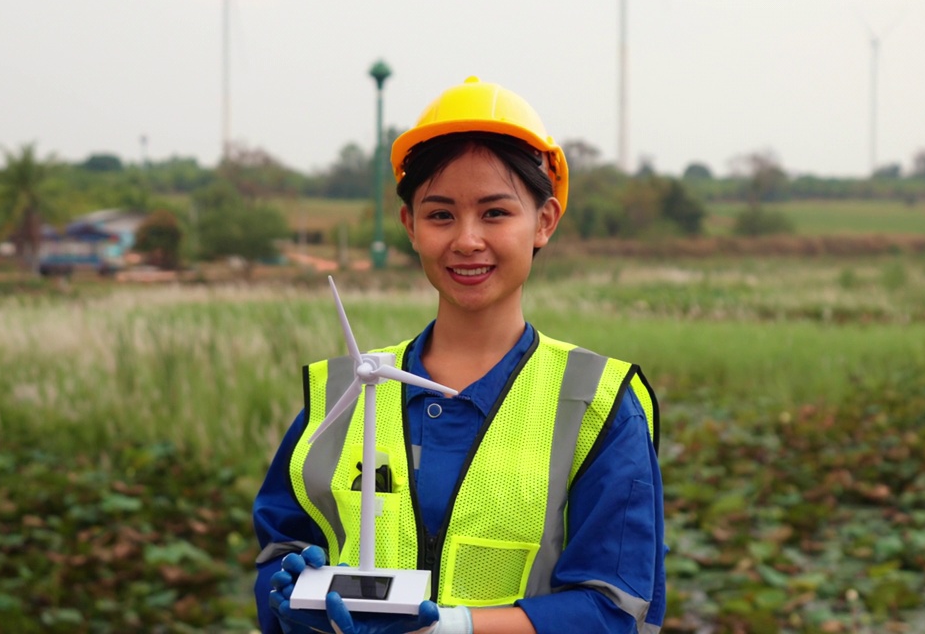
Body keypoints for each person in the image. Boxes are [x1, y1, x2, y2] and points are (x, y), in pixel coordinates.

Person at [253, 76, 666, 634]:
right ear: (411, 226)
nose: (467, 240)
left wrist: (449, 627)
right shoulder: (341, 392)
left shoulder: (598, 404)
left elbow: (616, 608)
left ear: (544, 221)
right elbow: (282, 545)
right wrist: (293, 599)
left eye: (495, 213)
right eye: (441, 214)